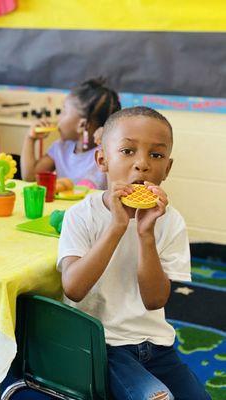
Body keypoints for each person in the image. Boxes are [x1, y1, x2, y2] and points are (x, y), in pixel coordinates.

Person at [57, 106, 210, 399]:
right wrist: (117, 226)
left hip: (156, 345)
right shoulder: (81, 215)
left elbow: (154, 300)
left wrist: (145, 234)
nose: (142, 164)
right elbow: (74, 288)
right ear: (102, 159)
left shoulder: (171, 221)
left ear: (167, 168)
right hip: (102, 346)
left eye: (156, 155)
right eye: (127, 151)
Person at [21, 78, 120, 190]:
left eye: (63, 111)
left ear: (81, 125)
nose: (59, 118)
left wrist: (110, 138)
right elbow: (30, 176)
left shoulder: (106, 152)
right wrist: (30, 138)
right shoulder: (60, 148)